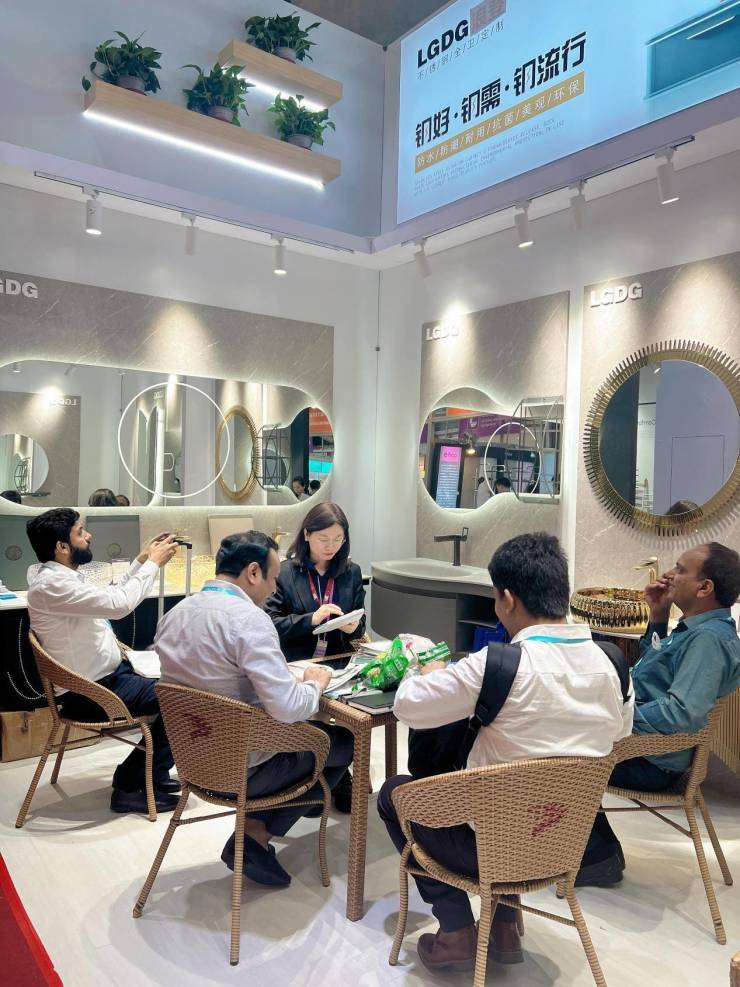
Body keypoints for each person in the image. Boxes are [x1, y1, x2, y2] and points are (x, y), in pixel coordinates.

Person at [377, 533, 633, 973]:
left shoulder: (500, 665)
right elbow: (620, 734)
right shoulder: (613, 664)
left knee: (394, 794)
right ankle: (504, 925)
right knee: (511, 792)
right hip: (565, 841)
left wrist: (428, 670)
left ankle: (456, 929)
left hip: (489, 848)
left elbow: (409, 707)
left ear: (508, 599)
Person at [154, 531, 354, 888]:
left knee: (318, 741)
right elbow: (288, 708)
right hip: (245, 766)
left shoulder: (176, 613)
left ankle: (268, 822)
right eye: (273, 578)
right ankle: (256, 833)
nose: (274, 588)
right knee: (344, 742)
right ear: (252, 572)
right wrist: (315, 683)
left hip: (192, 758)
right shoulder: (248, 620)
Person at [578, 542, 740, 887]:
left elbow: (681, 713)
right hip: (647, 751)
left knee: (552, 750)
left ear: (704, 587)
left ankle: (595, 855)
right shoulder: (697, 630)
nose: (670, 575)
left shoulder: (708, 641)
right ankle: (590, 850)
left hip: (651, 762)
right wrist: (658, 617)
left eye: (681, 569)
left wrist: (615, 717)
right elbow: (651, 673)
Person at [25, 509, 180, 814]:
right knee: (184, 699)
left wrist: (141, 560)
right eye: (80, 532)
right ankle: (130, 785)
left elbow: (111, 595)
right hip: (91, 693)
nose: (89, 535)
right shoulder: (52, 586)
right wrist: (152, 564)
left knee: (180, 687)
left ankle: (150, 773)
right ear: (62, 547)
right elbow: (119, 605)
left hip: (107, 678)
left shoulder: (61, 579)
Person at [265, 502, 365, 812]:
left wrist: (354, 626)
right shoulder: (285, 572)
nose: (331, 547)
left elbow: (361, 620)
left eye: (338, 539)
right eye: (324, 539)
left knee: (355, 716)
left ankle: (339, 773)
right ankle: (311, 775)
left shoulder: (351, 572)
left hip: (338, 660)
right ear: (307, 535)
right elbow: (271, 623)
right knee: (307, 720)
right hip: (296, 662)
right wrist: (311, 619)